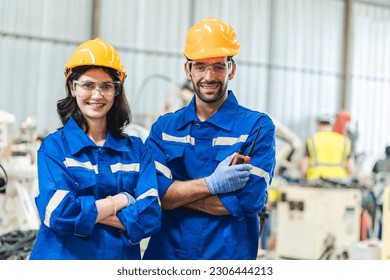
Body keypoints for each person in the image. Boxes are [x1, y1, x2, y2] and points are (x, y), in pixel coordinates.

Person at [142, 17, 276, 260]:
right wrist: (211, 185)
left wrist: (175, 196)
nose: (209, 76)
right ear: (188, 70)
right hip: (166, 259)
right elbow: (153, 194)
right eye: (201, 66)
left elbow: (249, 201)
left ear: (231, 69)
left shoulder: (256, 127)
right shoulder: (165, 127)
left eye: (218, 66)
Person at [29, 38, 161, 260]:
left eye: (106, 86)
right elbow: (58, 213)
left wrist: (84, 213)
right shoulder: (55, 148)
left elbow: (150, 215)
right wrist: (120, 201)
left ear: (116, 91)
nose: (97, 95)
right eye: (88, 85)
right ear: (73, 87)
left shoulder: (137, 152)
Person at [300, 113, 355, 181]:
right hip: (339, 182)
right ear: (332, 125)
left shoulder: (311, 140)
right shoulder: (344, 141)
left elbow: (304, 169)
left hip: (315, 181)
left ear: (318, 125)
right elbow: (351, 169)